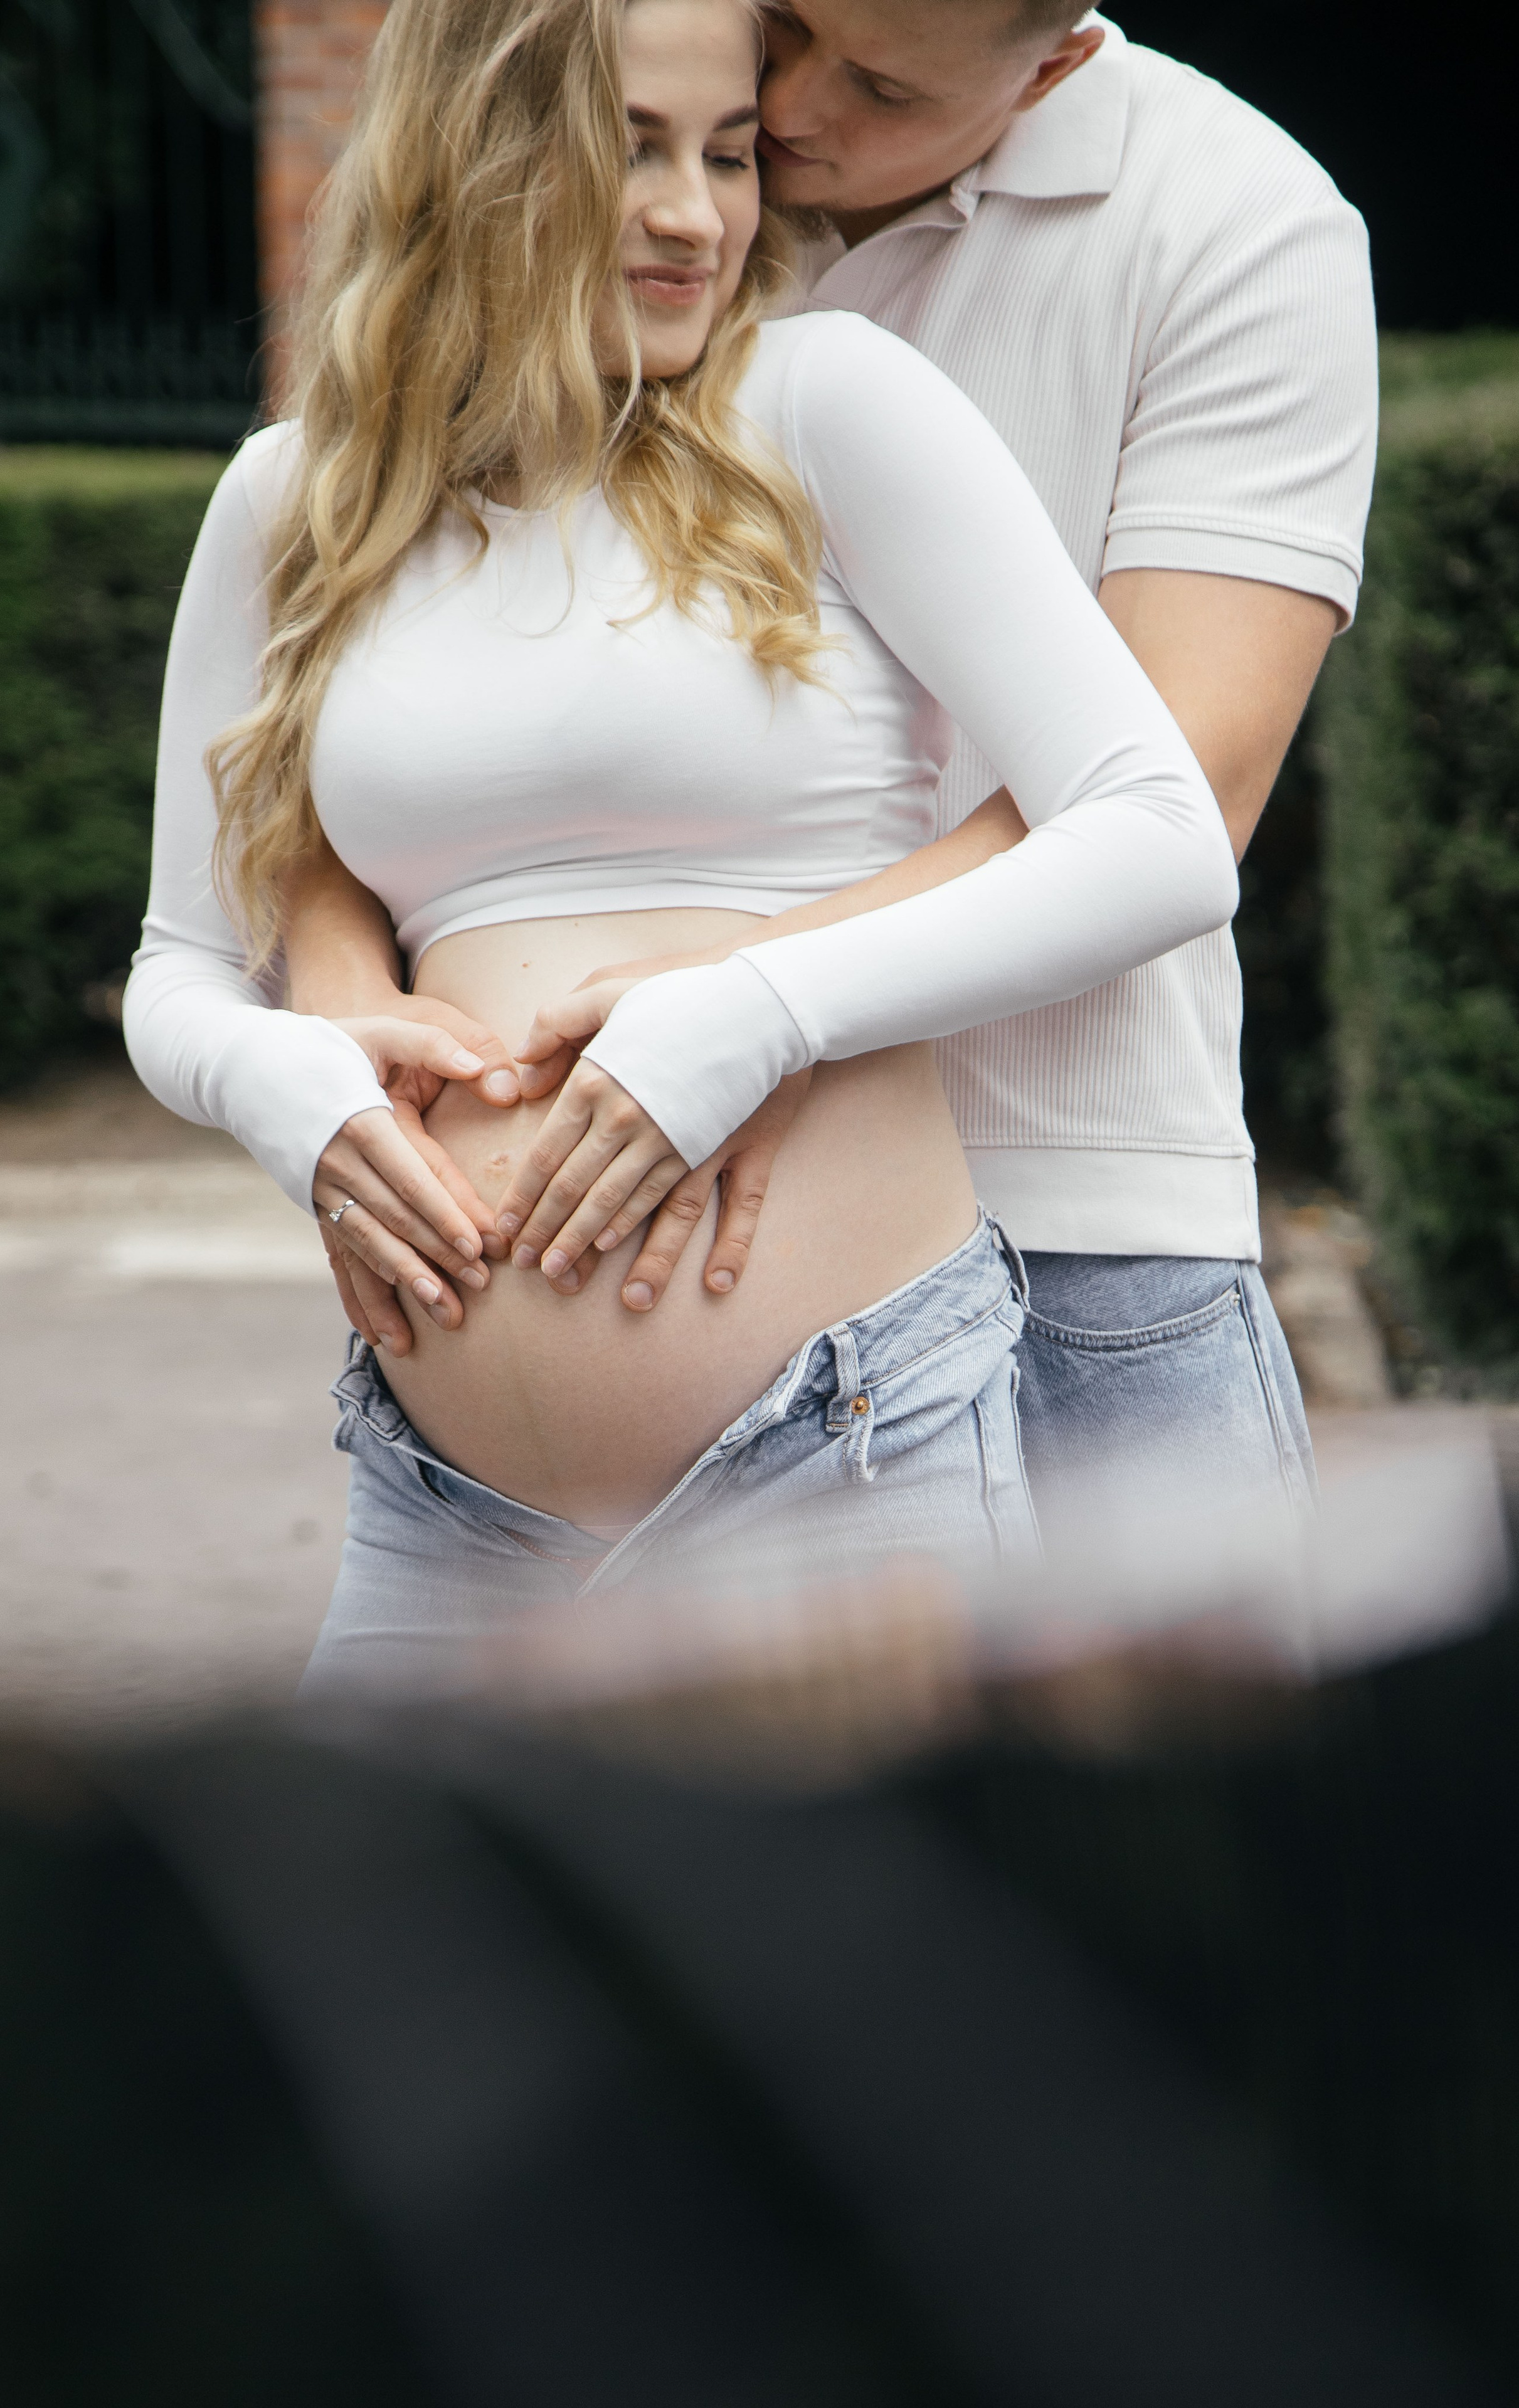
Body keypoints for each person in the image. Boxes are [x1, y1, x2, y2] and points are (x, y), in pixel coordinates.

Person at [124, 0, 1235, 1681]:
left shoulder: (832, 401)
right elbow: (180, 967)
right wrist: (281, 1087)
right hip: (445, 1515)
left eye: (728, 153)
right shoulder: (294, 500)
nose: (696, 214)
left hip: (844, 1459)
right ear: (475, 146)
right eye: (631, 144)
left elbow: (1157, 834)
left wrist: (755, 1012)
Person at [292, 0, 1377, 1536]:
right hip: (577, 1276)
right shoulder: (658, 177)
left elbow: (1181, 785)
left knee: (1153, 1786)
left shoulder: (1235, 226)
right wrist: (337, 1004)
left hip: (1071, 1213)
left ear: (1052, 65)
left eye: (871, 85)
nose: (785, 109)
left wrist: (738, 1012)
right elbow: (365, 670)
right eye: (784, 28)